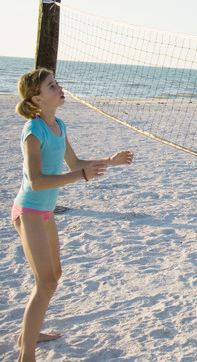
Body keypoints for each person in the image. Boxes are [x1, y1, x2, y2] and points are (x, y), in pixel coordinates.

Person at [12, 68, 133, 362]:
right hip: (28, 210)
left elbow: (74, 162)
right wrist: (80, 176)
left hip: (44, 212)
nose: (59, 88)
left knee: (54, 276)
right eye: (51, 86)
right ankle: (25, 354)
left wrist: (109, 161)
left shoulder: (59, 126)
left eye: (57, 83)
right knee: (46, 282)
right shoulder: (33, 131)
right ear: (37, 98)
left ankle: (30, 330)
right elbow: (37, 180)